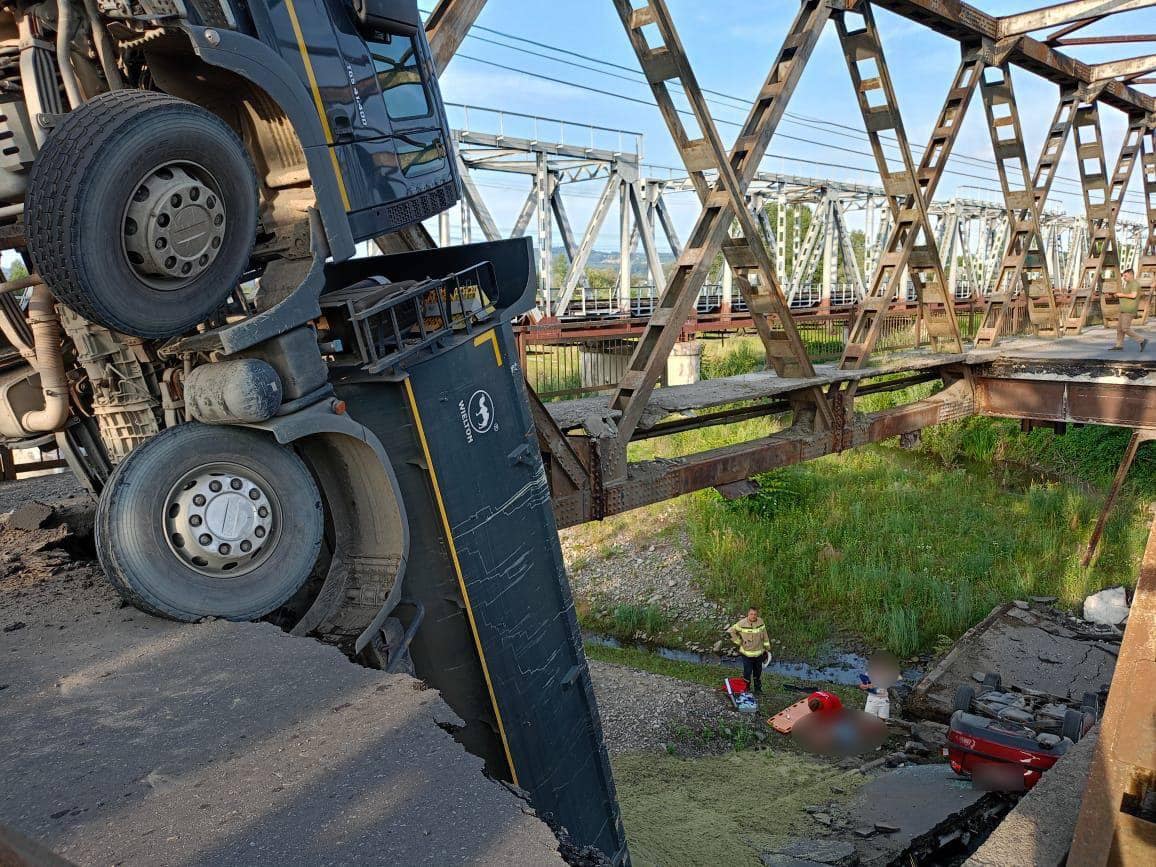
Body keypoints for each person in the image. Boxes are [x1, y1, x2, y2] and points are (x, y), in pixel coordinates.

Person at [727, 606, 770, 694]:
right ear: (748, 614)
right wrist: (738, 642)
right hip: (746, 654)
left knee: (758, 673)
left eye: (755, 614)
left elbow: (765, 634)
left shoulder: (760, 621)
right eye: (751, 614)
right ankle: (746, 690)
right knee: (747, 672)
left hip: (759, 653)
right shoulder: (742, 623)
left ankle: (758, 690)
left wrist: (767, 646)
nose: (753, 616)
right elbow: (730, 631)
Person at [1111, 269, 1148, 352]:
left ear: (1131, 275)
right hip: (1123, 309)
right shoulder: (1128, 284)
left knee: (1125, 328)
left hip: (1129, 310)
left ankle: (1142, 340)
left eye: (1125, 276)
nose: (1124, 277)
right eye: (1123, 276)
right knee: (1119, 329)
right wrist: (1117, 295)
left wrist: (1121, 294)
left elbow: (1133, 295)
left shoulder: (1134, 284)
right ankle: (1119, 346)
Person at [858, 652, 900, 720]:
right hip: (872, 699)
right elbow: (861, 685)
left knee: (883, 719)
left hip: (884, 700)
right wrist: (866, 686)